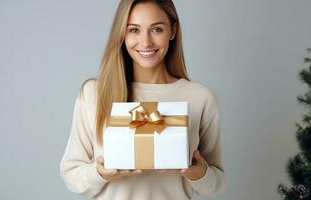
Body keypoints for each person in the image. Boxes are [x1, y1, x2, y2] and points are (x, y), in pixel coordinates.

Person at [60, 0, 227, 199]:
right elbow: (71, 175)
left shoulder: (200, 97)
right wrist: (99, 173)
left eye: (156, 29)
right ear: (122, 33)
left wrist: (198, 172)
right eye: (134, 30)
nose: (146, 42)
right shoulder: (94, 93)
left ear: (172, 31)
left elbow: (217, 185)